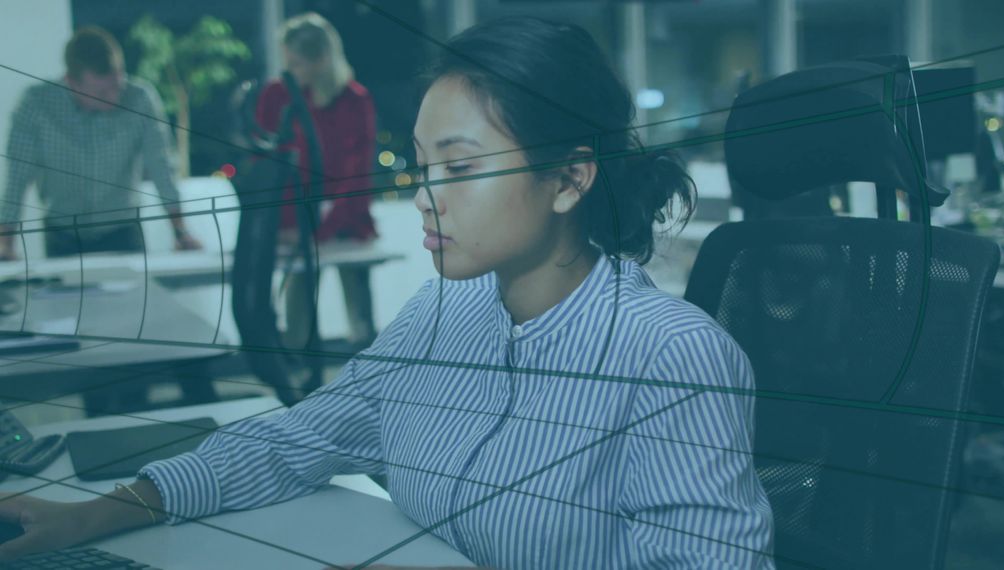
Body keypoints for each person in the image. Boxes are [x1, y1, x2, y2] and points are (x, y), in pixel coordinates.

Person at [0, 18, 774, 569]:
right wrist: (98, 514)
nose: (427, 197)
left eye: (462, 167)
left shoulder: (673, 360)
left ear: (569, 178)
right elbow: (296, 439)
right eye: (422, 166)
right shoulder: (442, 316)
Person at [0, 26, 200, 260]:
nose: (114, 98)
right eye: (102, 93)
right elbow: (17, 178)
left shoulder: (140, 99)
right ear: (71, 82)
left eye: (117, 86)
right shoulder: (36, 105)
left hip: (124, 233)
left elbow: (162, 167)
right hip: (62, 236)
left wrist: (180, 232)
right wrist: (5, 244)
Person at [256, 12, 378, 351]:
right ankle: (299, 371)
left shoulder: (355, 100)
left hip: (346, 220)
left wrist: (321, 229)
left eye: (296, 64)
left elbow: (357, 175)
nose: (288, 72)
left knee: (360, 318)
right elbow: (269, 165)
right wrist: (286, 227)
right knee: (298, 315)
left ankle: (368, 370)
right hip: (295, 221)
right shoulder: (277, 95)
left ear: (322, 59)